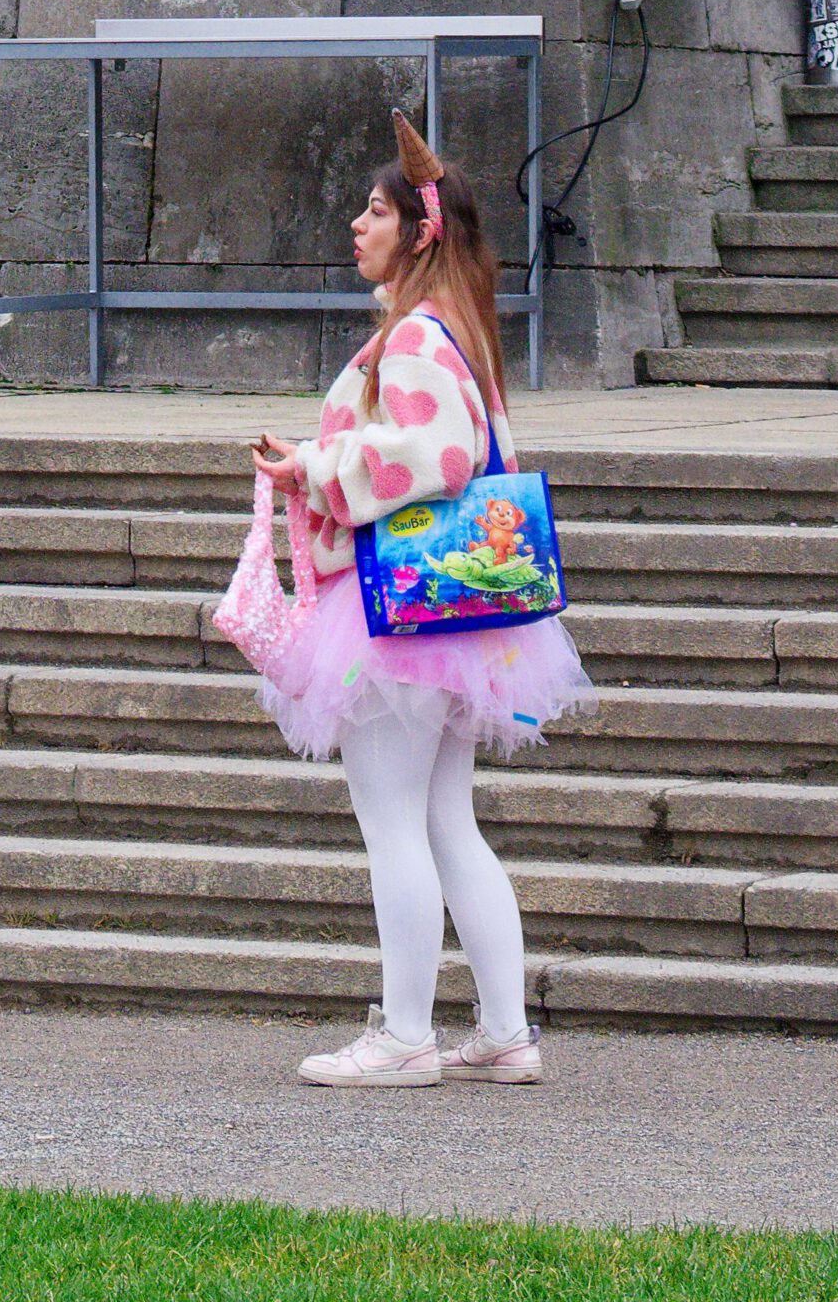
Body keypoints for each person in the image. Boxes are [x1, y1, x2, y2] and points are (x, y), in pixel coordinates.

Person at [248, 111, 594, 1087]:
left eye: (375, 210)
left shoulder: (412, 338)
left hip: (395, 615)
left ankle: (405, 1035)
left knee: (395, 822)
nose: (357, 224)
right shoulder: (454, 330)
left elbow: (435, 458)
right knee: (446, 820)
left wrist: (317, 466)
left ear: (419, 230)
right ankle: (503, 1029)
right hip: (451, 615)